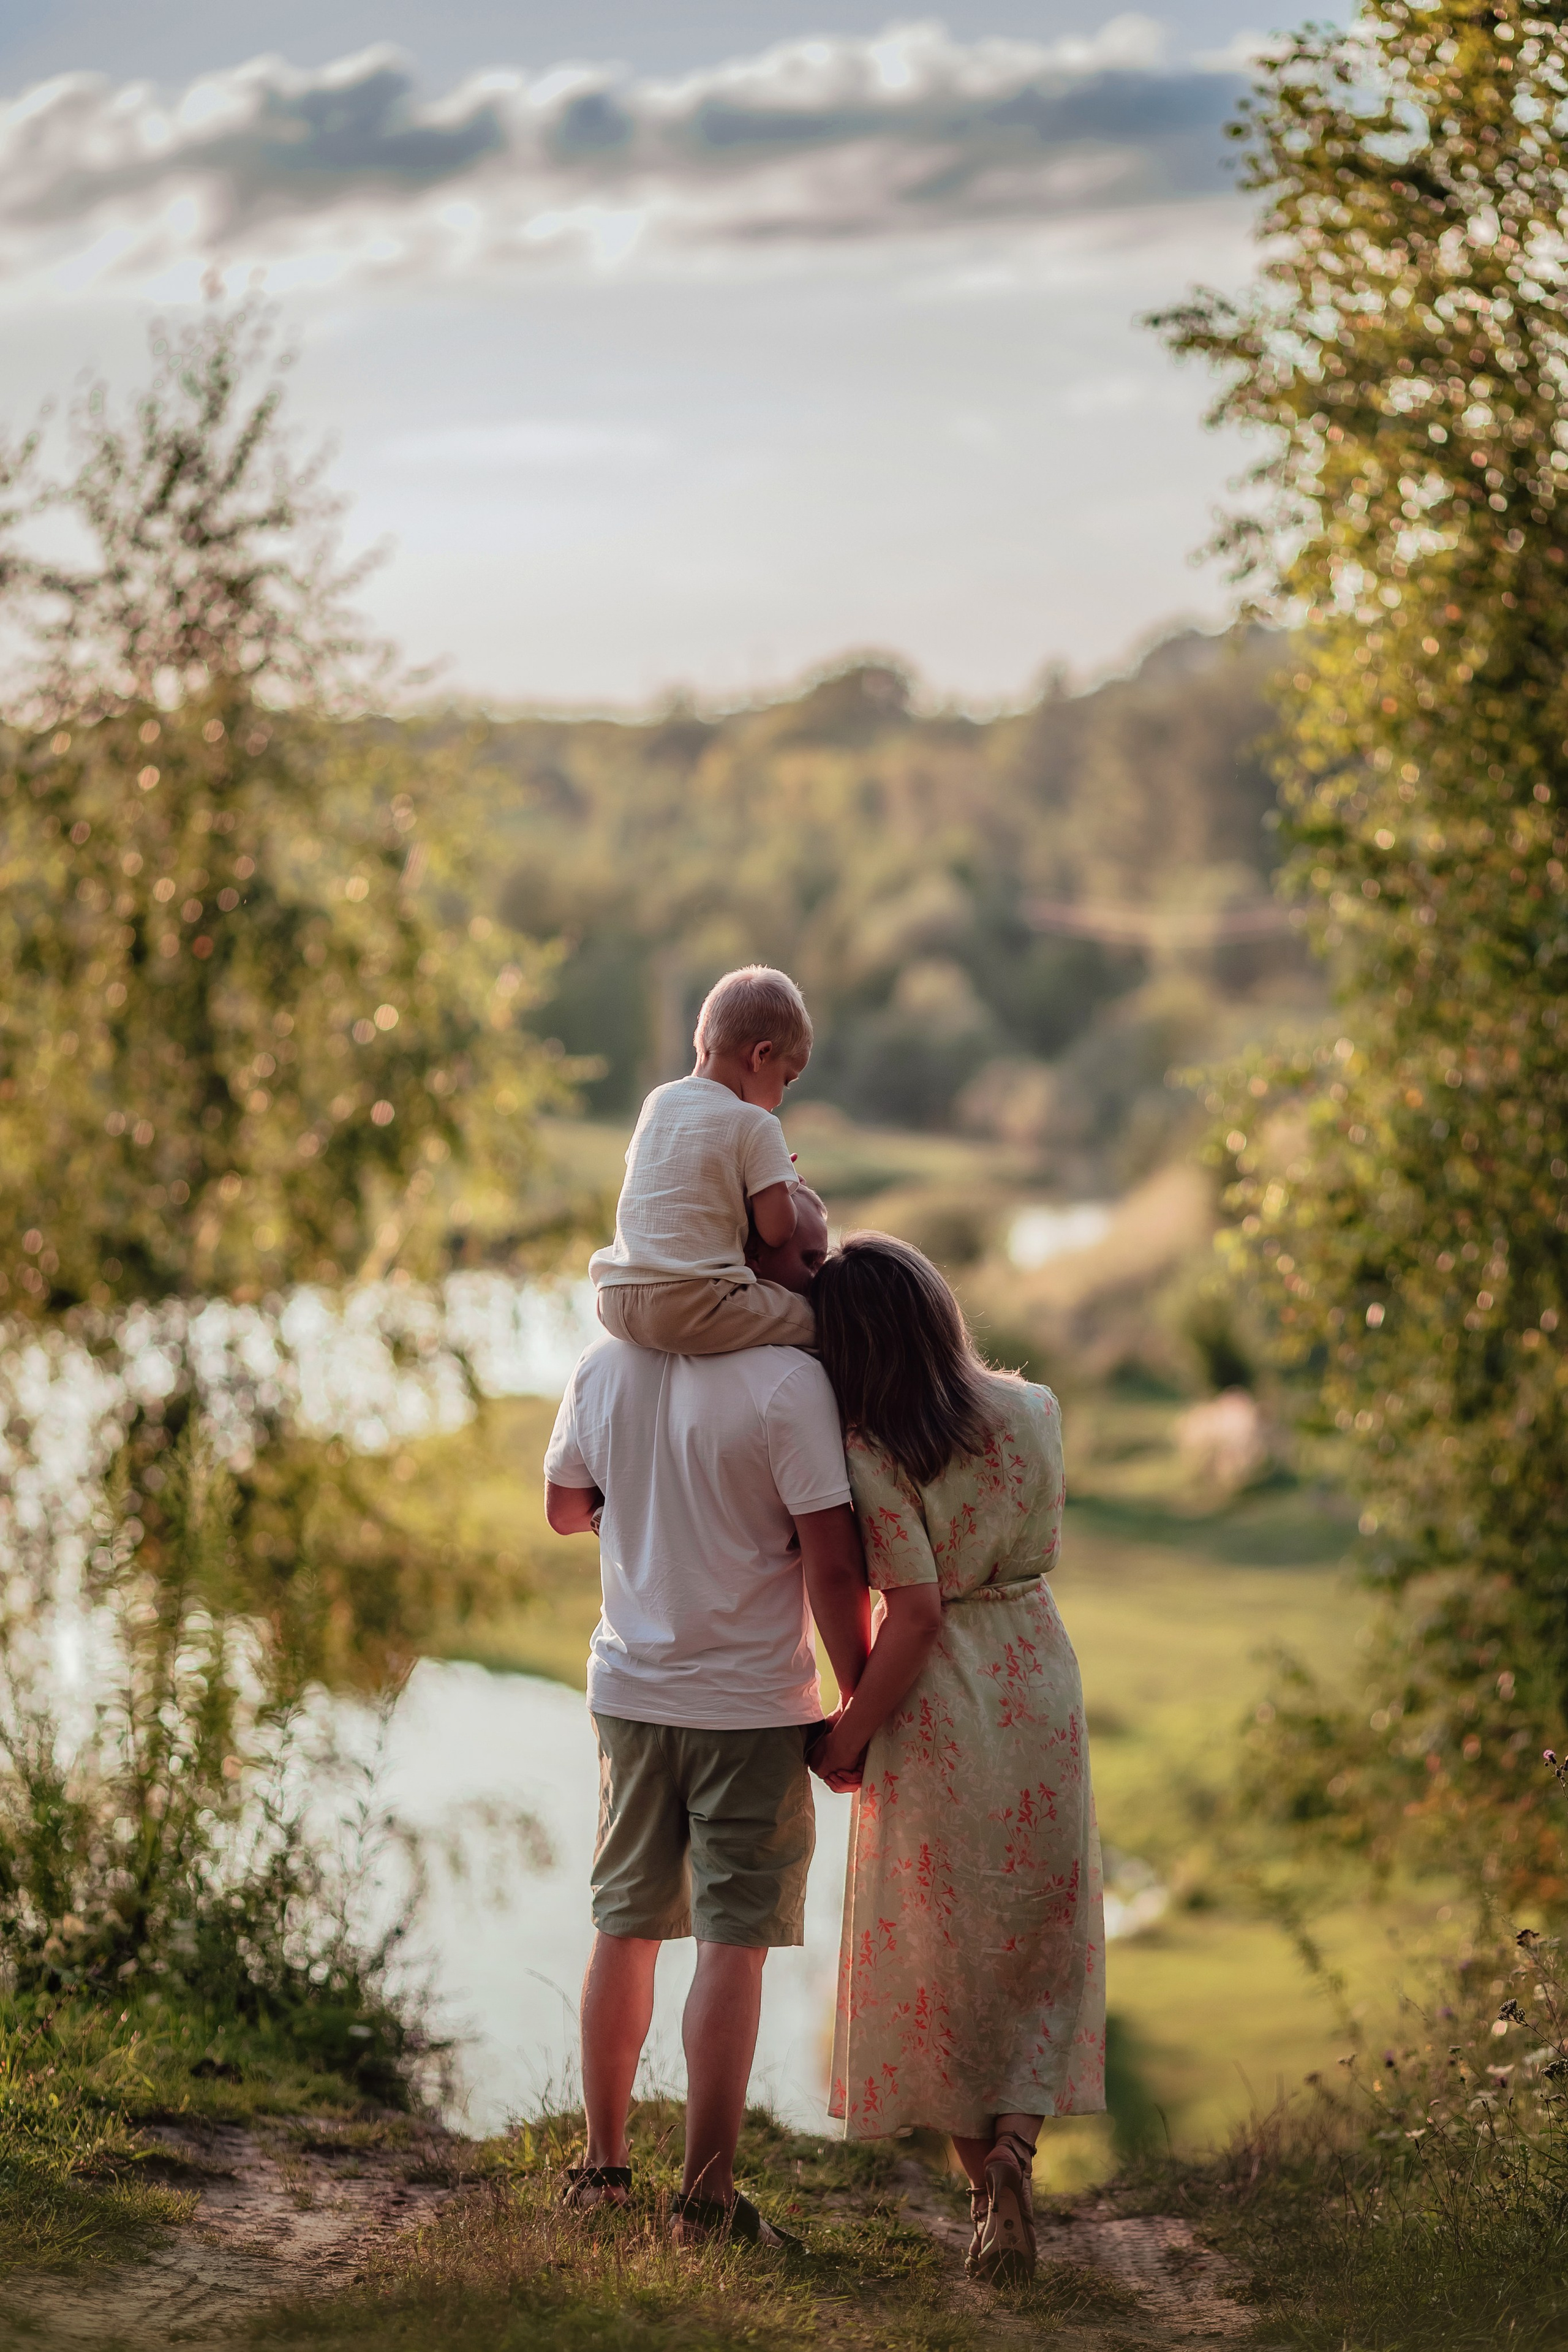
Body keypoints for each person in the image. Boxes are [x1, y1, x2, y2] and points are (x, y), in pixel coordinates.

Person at [544, 1186, 870, 2245]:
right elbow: (832, 1563)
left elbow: (562, 1508)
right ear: (746, 1252)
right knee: (734, 1941)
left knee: (624, 1925)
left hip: (632, 1694)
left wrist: (644, 1510)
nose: (819, 1278)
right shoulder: (790, 1382)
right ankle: (704, 2203)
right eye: (806, 1257)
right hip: (751, 1707)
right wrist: (858, 1696)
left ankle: (602, 2174)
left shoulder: (604, 1363)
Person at [808, 1233, 1106, 2286]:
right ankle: (1017, 2153)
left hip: (940, 1707)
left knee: (946, 1960)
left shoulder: (875, 1450)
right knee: (1039, 1940)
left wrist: (847, 1734)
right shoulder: (1036, 1409)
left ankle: (988, 2200)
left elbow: (919, 1613)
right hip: (1040, 1681)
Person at [589, 964, 818, 1355]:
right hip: (688, 1304)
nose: (781, 1097)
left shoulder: (657, 1101)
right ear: (761, 1055)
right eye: (787, 1080)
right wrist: (782, 1185)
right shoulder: (757, 1123)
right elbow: (778, 1231)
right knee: (813, 1319)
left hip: (613, 1299)